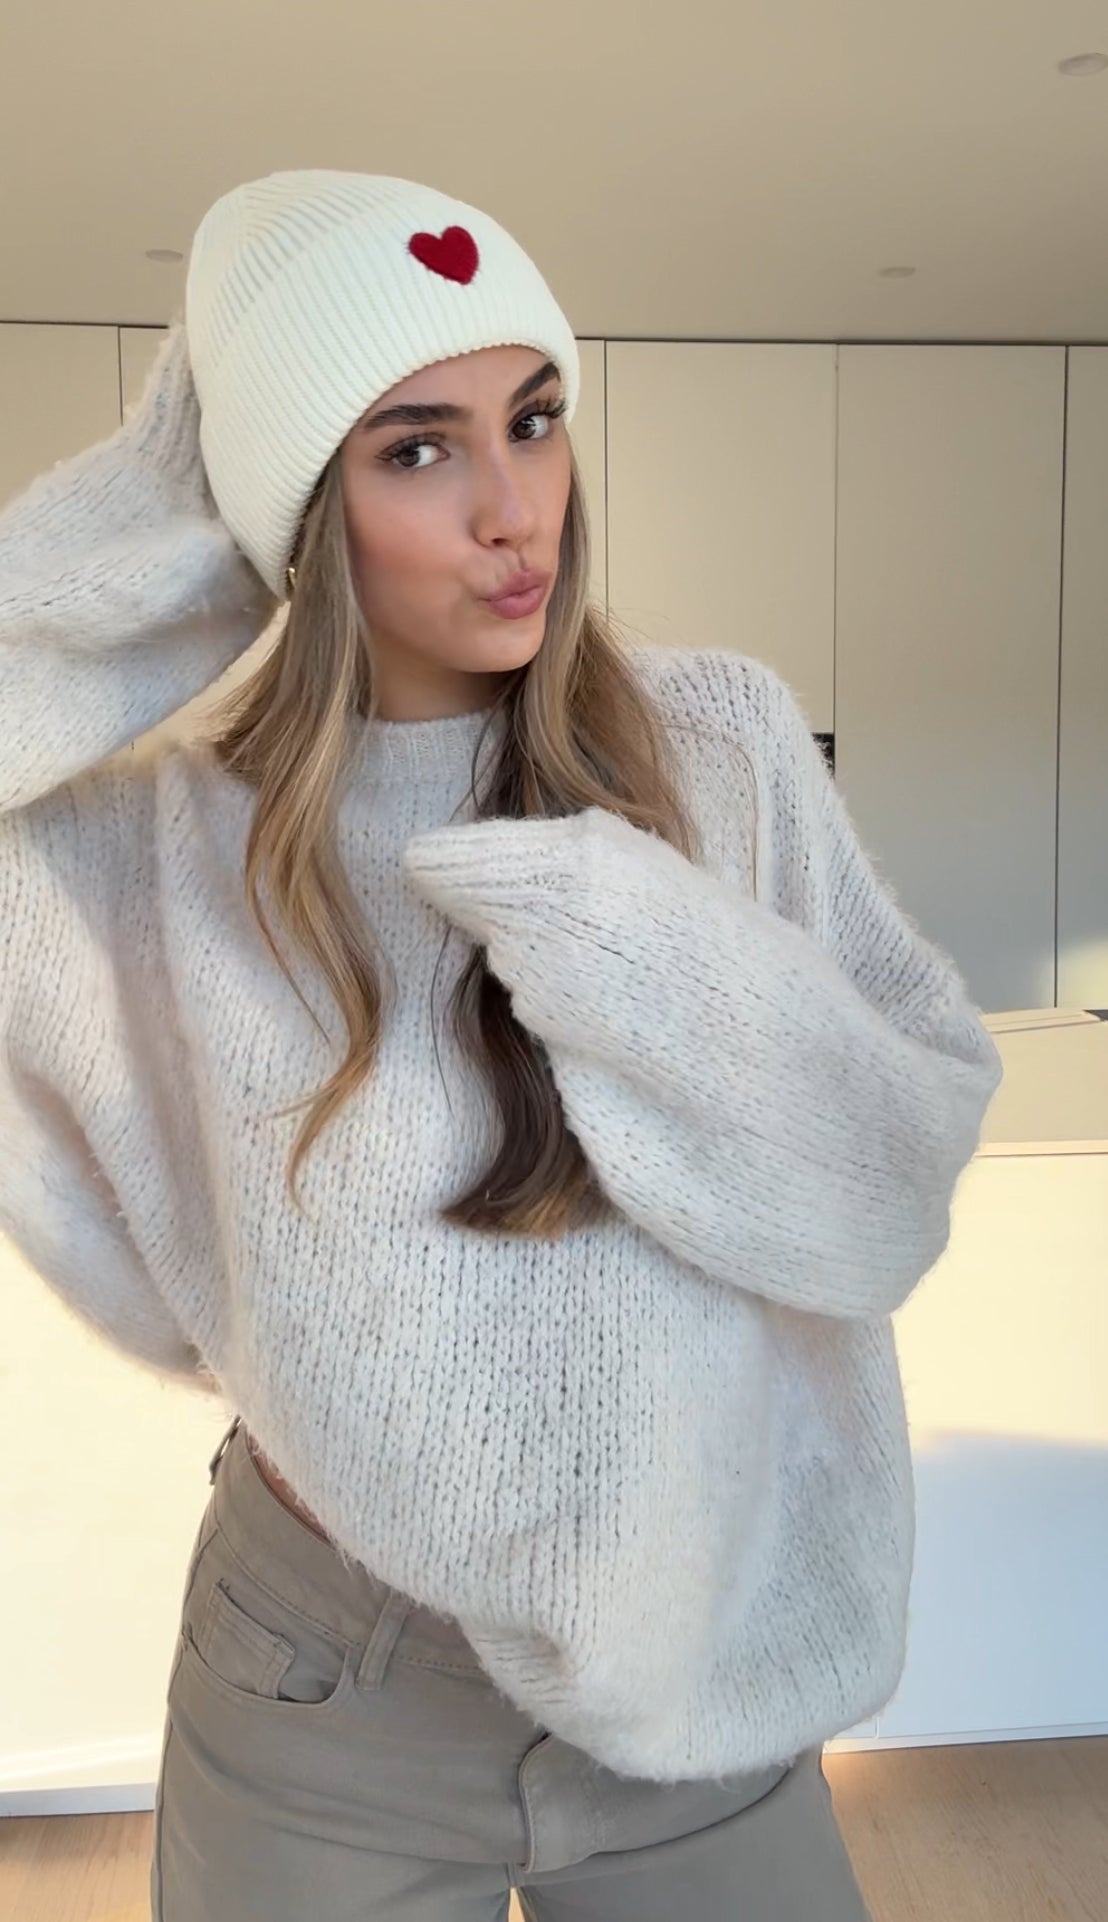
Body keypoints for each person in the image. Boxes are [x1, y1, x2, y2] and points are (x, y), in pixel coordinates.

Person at [0, 170, 1004, 1920]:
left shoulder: (717, 749)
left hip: (696, 1664)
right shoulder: (165, 845)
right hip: (327, 1680)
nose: (511, 508)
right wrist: (180, 510)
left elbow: (890, 1187)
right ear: (296, 506)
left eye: (534, 421)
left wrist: (636, 949)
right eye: (415, 449)